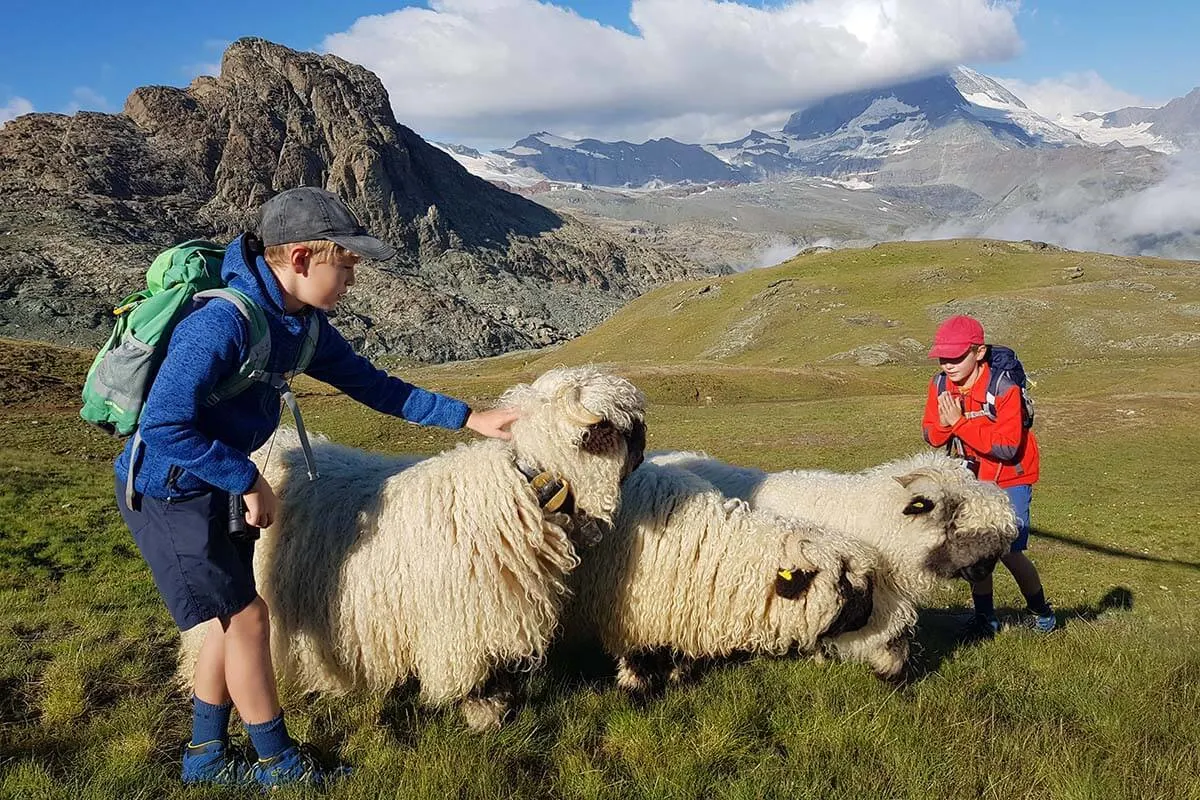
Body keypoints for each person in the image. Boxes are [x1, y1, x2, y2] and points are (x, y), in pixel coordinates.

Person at [113, 187, 519, 788]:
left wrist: (470, 418)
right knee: (248, 619)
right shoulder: (221, 324)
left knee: (231, 622)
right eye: (346, 264)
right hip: (169, 489)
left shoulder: (302, 327)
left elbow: (378, 388)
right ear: (301, 259)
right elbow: (164, 424)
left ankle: (204, 758)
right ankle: (279, 765)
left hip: (216, 482)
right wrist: (246, 477)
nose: (352, 279)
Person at [921, 314, 1056, 638]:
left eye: (955, 357)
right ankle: (986, 620)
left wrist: (961, 423)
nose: (947, 365)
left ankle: (1042, 613)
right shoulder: (939, 384)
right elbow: (931, 435)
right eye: (942, 357)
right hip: (971, 478)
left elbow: (1008, 448)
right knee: (975, 549)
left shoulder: (1003, 387)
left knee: (1009, 551)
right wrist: (946, 424)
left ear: (978, 352)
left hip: (1011, 477)